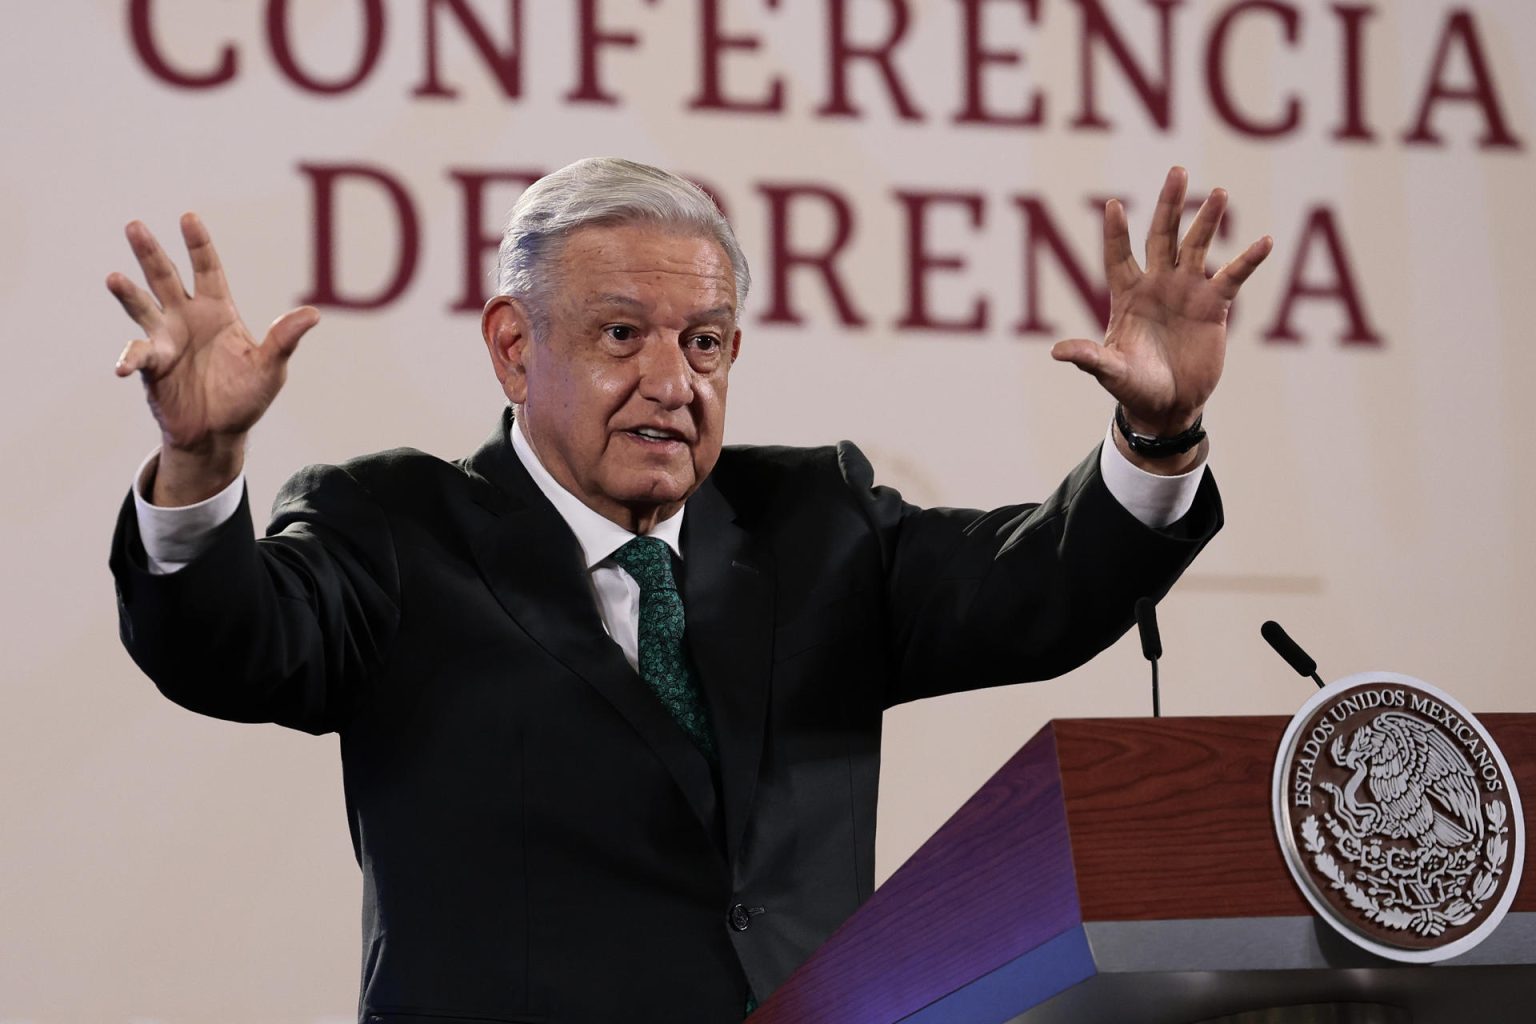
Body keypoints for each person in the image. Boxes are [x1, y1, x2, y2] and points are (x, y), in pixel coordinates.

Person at [107, 158, 1271, 1023]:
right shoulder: (395, 528)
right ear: (515, 347)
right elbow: (231, 642)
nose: (674, 382)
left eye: (707, 343)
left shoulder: (814, 522)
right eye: (623, 335)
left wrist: (1155, 434)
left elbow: (1040, 590)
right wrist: (201, 468)